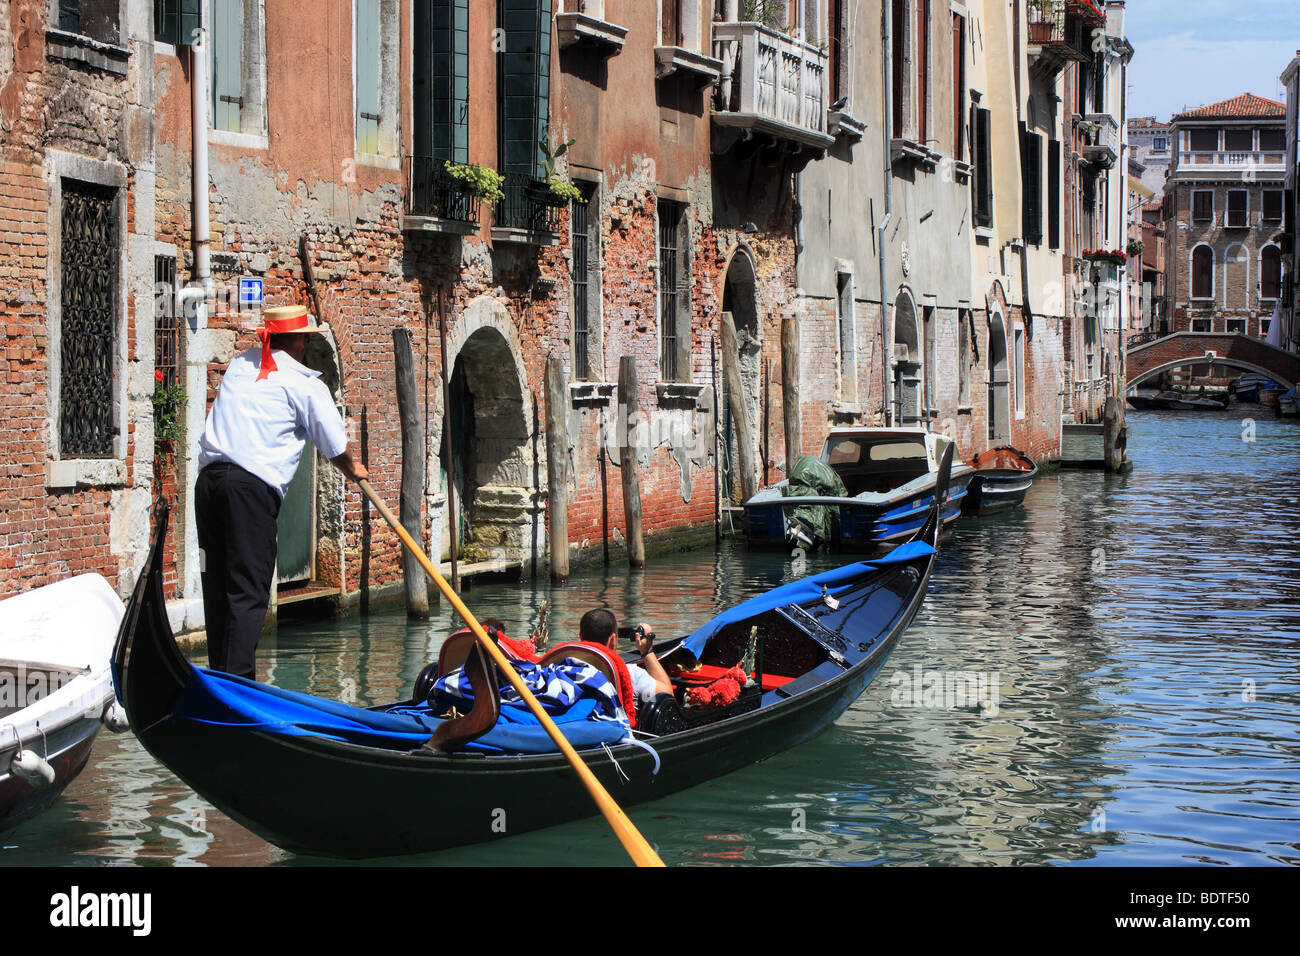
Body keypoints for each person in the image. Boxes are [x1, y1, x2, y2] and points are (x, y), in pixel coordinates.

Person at [195, 304, 368, 679]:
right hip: (248, 493)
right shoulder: (306, 384)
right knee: (247, 591)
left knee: (217, 583)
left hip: (208, 487)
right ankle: (238, 688)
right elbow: (335, 445)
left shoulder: (241, 365)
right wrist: (354, 470)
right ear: (302, 340)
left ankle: (219, 680)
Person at [578, 608, 673, 705]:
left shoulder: (565, 667)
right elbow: (667, 697)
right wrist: (647, 651)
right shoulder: (631, 674)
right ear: (613, 640)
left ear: (580, 637)